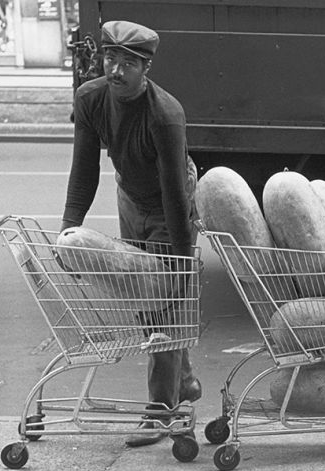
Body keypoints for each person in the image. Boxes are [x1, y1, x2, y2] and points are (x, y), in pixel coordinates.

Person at [62, 20, 202, 447]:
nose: (115, 70)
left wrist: (180, 264)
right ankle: (184, 379)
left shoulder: (165, 114)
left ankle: (161, 410)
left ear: (146, 69)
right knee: (145, 299)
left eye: (127, 63)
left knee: (163, 298)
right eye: (110, 58)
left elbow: (175, 195)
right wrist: (69, 229)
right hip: (130, 194)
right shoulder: (91, 98)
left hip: (169, 199)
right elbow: (84, 169)